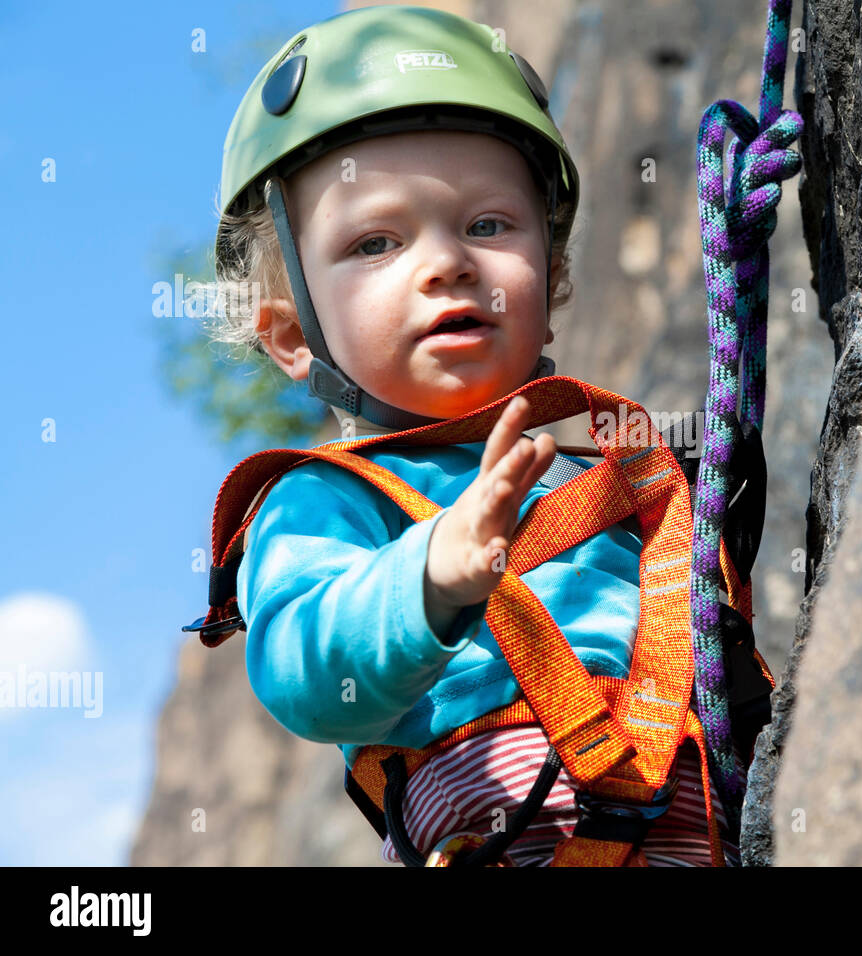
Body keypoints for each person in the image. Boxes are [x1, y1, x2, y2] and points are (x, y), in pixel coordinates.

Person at [204, 5, 740, 866]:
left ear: (552, 277)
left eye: (489, 225)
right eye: (376, 242)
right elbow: (305, 677)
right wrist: (430, 575)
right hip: (495, 831)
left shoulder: (609, 480)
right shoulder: (324, 500)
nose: (447, 262)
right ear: (295, 337)